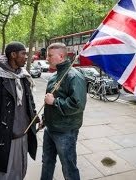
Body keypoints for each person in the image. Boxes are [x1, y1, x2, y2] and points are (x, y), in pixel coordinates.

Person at [0, 41, 40, 180]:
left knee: (19, 173)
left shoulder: (24, 76)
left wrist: (34, 116)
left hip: (23, 137)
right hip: (3, 140)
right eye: (23, 53)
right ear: (13, 55)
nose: (27, 57)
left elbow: (29, 102)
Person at [41, 43, 87, 180]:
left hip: (65, 131)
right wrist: (45, 118)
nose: (47, 58)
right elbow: (49, 102)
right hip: (50, 128)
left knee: (68, 167)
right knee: (47, 162)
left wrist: (54, 102)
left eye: (49, 55)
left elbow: (77, 105)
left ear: (61, 56)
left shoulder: (74, 76)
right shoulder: (56, 76)